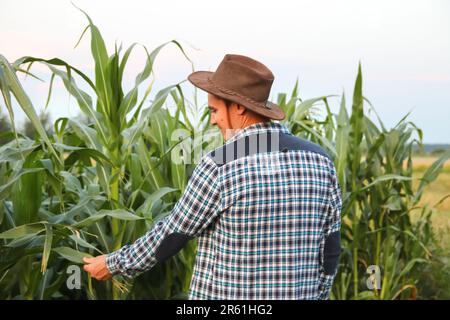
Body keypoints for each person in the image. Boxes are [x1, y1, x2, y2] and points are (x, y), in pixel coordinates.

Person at [83, 54, 342, 300]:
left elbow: (173, 233)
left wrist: (114, 263)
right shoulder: (321, 161)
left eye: (214, 111)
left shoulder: (222, 163)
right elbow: (330, 251)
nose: (212, 121)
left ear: (239, 107)